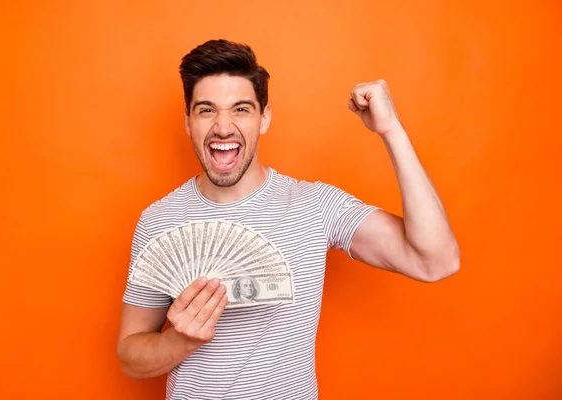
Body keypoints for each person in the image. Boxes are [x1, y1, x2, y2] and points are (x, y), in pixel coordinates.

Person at [116, 39, 459, 399]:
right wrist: (179, 341)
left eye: (241, 109)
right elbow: (130, 358)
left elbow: (436, 261)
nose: (222, 126)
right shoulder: (159, 221)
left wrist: (392, 131)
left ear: (264, 118)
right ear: (188, 122)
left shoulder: (315, 206)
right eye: (206, 110)